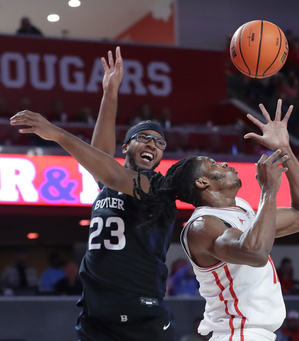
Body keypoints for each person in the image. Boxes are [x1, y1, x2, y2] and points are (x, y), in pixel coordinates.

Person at [12, 47, 177, 340]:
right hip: (96, 313)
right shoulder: (109, 182)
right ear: (125, 147)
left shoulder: (159, 187)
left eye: (159, 143)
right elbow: (101, 158)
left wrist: (58, 134)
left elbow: (112, 172)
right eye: (143, 138)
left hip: (141, 313)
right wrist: (110, 92)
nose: (152, 144)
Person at [133, 99, 299, 340]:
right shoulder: (202, 225)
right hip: (237, 334)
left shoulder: (241, 208)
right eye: (213, 165)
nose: (223, 163)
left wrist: (285, 150)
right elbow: (255, 253)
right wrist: (268, 191)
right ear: (202, 183)